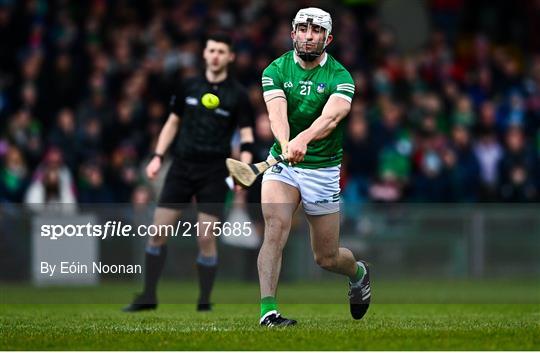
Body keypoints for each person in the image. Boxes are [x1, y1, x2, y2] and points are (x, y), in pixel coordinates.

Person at [123, 33, 254, 312]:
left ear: (230, 57)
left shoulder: (238, 95)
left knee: (205, 238)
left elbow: (247, 136)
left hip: (215, 170)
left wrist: (244, 167)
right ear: (205, 54)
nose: (216, 55)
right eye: (212, 50)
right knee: (158, 232)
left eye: (221, 51)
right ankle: (148, 296)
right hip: (181, 166)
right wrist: (158, 156)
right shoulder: (188, 86)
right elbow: (172, 123)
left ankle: (204, 300)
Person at [257, 8, 371, 327]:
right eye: (303, 29)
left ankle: (358, 273)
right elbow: (276, 115)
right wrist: (285, 144)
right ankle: (269, 312)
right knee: (275, 228)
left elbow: (331, 118)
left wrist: (302, 140)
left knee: (327, 258)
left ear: (328, 38)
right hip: (283, 164)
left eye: (316, 31)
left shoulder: (340, 77)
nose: (308, 35)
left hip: (322, 169)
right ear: (292, 33)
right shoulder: (275, 70)